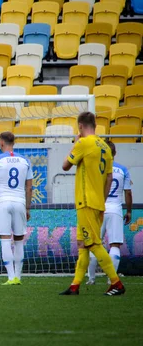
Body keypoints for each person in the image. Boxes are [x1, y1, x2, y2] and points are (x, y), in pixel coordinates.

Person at [60, 112, 125, 296]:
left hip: (86, 201)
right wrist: (102, 200)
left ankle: (116, 283)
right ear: (95, 125)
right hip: (98, 202)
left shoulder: (83, 143)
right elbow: (109, 177)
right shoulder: (105, 146)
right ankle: (75, 286)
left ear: (80, 126)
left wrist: (75, 143)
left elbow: (65, 165)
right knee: (82, 244)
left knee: (94, 243)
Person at [0, 132, 33, 285]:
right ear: (13, 142)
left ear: (1, 143)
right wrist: (27, 208)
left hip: (2, 202)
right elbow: (29, 188)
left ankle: (10, 277)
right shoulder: (25, 160)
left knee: (5, 239)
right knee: (19, 240)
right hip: (20, 201)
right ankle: (18, 277)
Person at [87, 140, 133, 284]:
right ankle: (111, 279)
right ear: (115, 153)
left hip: (98, 208)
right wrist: (129, 211)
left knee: (94, 243)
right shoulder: (123, 170)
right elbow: (128, 193)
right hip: (115, 210)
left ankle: (91, 278)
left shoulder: (97, 168)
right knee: (115, 245)